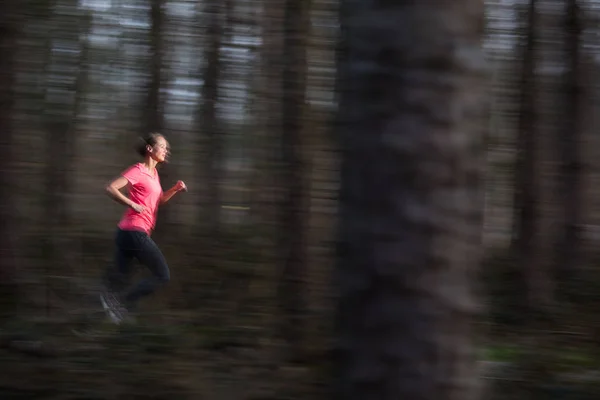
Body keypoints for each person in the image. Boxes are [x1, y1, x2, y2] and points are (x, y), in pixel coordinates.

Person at [100, 132, 187, 324]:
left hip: (125, 233)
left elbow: (157, 201)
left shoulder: (154, 174)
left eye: (167, 148)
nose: (166, 150)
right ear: (150, 149)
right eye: (163, 146)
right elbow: (111, 188)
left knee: (121, 279)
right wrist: (131, 204)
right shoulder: (138, 170)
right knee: (162, 275)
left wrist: (174, 189)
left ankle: (103, 312)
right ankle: (120, 304)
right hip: (134, 232)